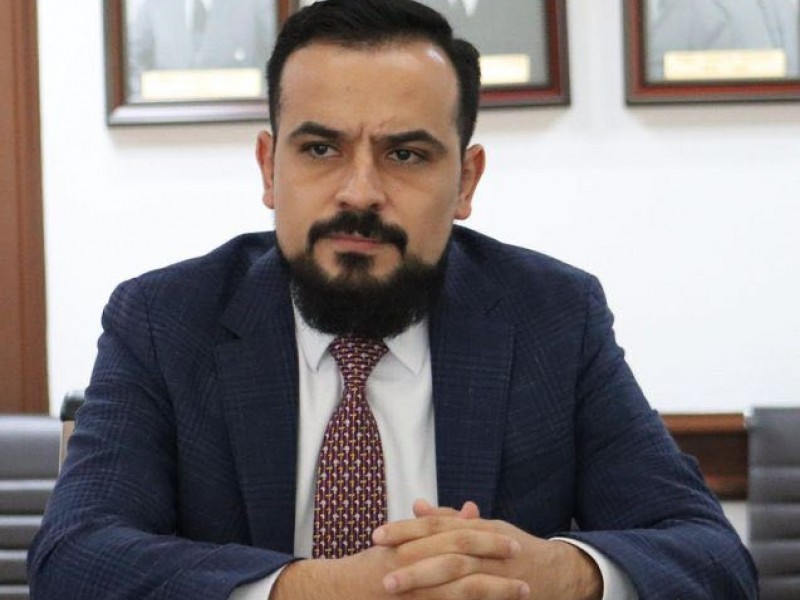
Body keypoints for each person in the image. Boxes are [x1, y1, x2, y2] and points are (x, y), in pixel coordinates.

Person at [29, 1, 757, 598]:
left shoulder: (552, 317)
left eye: (405, 154)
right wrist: (314, 590)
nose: (360, 192)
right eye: (320, 149)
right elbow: (73, 559)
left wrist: (561, 575)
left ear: (466, 181)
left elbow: (710, 556)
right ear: (268, 168)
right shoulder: (164, 320)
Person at [126, 0, 275, 99]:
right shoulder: (154, 5)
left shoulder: (255, 4)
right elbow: (131, 62)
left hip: (237, 118)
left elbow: (275, 56)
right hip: (167, 121)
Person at [648, 0, 799, 80]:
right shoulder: (687, 3)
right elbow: (657, 73)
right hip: (722, 120)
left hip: (780, 121)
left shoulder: (783, 4)